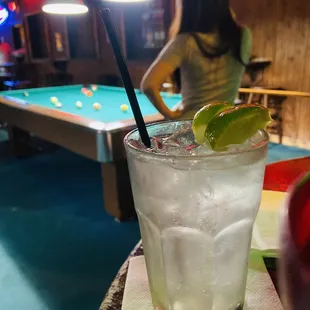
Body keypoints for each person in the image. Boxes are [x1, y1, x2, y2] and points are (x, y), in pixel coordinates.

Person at [140, 0, 252, 120]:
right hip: (224, 125)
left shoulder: (185, 42)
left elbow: (148, 85)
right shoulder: (244, 35)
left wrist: (170, 115)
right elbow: (230, 20)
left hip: (191, 126)